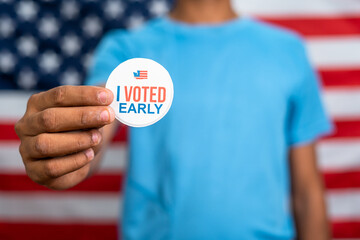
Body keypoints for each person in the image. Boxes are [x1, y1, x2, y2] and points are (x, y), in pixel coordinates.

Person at [15, 0, 333, 239]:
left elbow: (307, 191)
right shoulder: (127, 48)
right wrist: (67, 148)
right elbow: (97, 118)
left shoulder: (287, 50)